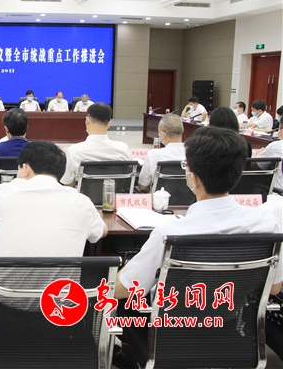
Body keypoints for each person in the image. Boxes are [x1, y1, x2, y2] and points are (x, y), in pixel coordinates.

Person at [114, 126, 282, 367]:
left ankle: (130, 357)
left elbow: (122, 290)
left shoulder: (170, 233)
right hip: (230, 333)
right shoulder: (268, 225)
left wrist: (123, 270)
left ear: (192, 178)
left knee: (126, 299)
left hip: (169, 342)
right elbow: (274, 287)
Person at [0, 141, 107, 256]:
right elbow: (102, 231)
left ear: (26, 168)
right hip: (64, 269)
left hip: (7, 269)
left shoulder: (3, 192)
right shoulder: (81, 201)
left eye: (19, 169)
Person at [61, 103, 133, 186]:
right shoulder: (123, 148)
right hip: (115, 193)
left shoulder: (74, 151)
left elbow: (68, 184)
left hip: (83, 194)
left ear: (87, 121)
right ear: (109, 124)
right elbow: (129, 178)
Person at [137, 113, 185, 192]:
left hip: (159, 199)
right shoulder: (194, 154)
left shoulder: (153, 155)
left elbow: (142, 187)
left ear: (163, 134)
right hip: (190, 199)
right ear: (183, 130)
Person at [0, 108, 29, 177]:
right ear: (27, 127)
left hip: (4, 183)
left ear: (6, 129)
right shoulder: (35, 150)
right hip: (26, 184)